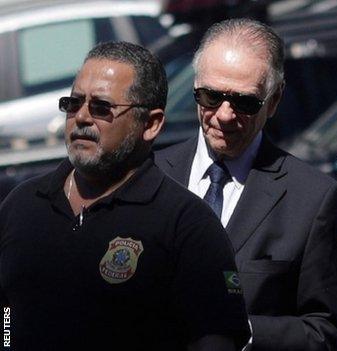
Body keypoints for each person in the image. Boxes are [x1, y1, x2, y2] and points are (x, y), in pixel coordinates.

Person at [0, 41, 250, 351]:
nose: (81, 118)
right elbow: (5, 312)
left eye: (101, 108)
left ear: (150, 124)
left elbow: (215, 338)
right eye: (73, 103)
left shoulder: (187, 225)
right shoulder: (23, 204)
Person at [155, 18, 337, 350]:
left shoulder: (312, 199)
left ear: (274, 101)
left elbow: (327, 334)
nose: (225, 115)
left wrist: (243, 331)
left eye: (245, 102)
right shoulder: (150, 175)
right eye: (210, 97)